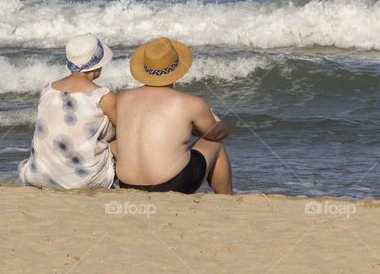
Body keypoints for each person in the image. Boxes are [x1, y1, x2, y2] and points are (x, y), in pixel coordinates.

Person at [114, 37, 232, 194]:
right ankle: (227, 199)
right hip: (170, 184)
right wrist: (214, 118)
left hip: (127, 184)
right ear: (176, 69)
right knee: (215, 144)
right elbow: (217, 134)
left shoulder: (122, 98)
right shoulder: (190, 103)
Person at [18, 34, 118, 190]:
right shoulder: (102, 96)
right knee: (123, 137)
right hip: (82, 180)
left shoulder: (48, 89)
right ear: (97, 65)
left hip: (39, 175)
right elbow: (124, 129)